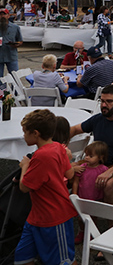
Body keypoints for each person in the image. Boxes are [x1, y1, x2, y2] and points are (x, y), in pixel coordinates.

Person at [15, 109, 76, 265]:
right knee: (22, 258)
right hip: (38, 216)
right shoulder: (57, 147)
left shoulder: (41, 156)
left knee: (63, 262)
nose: (23, 136)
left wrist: (25, 166)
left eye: (25, 132)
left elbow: (24, 187)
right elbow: (69, 174)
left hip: (54, 217)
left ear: (35, 133)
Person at [69, 85, 113, 205]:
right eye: (102, 101)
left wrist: (112, 170)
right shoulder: (98, 119)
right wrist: (61, 147)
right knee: (66, 172)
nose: (104, 105)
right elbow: (75, 129)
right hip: (97, 161)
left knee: (108, 184)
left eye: (109, 101)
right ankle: (68, 213)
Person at [0, 7, 23, 77]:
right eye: (0, 15)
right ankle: (2, 88)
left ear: (8, 15)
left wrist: (16, 45)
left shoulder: (15, 27)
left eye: (4, 14)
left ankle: (14, 88)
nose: (2, 16)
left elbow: (20, 41)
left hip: (11, 56)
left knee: (15, 76)